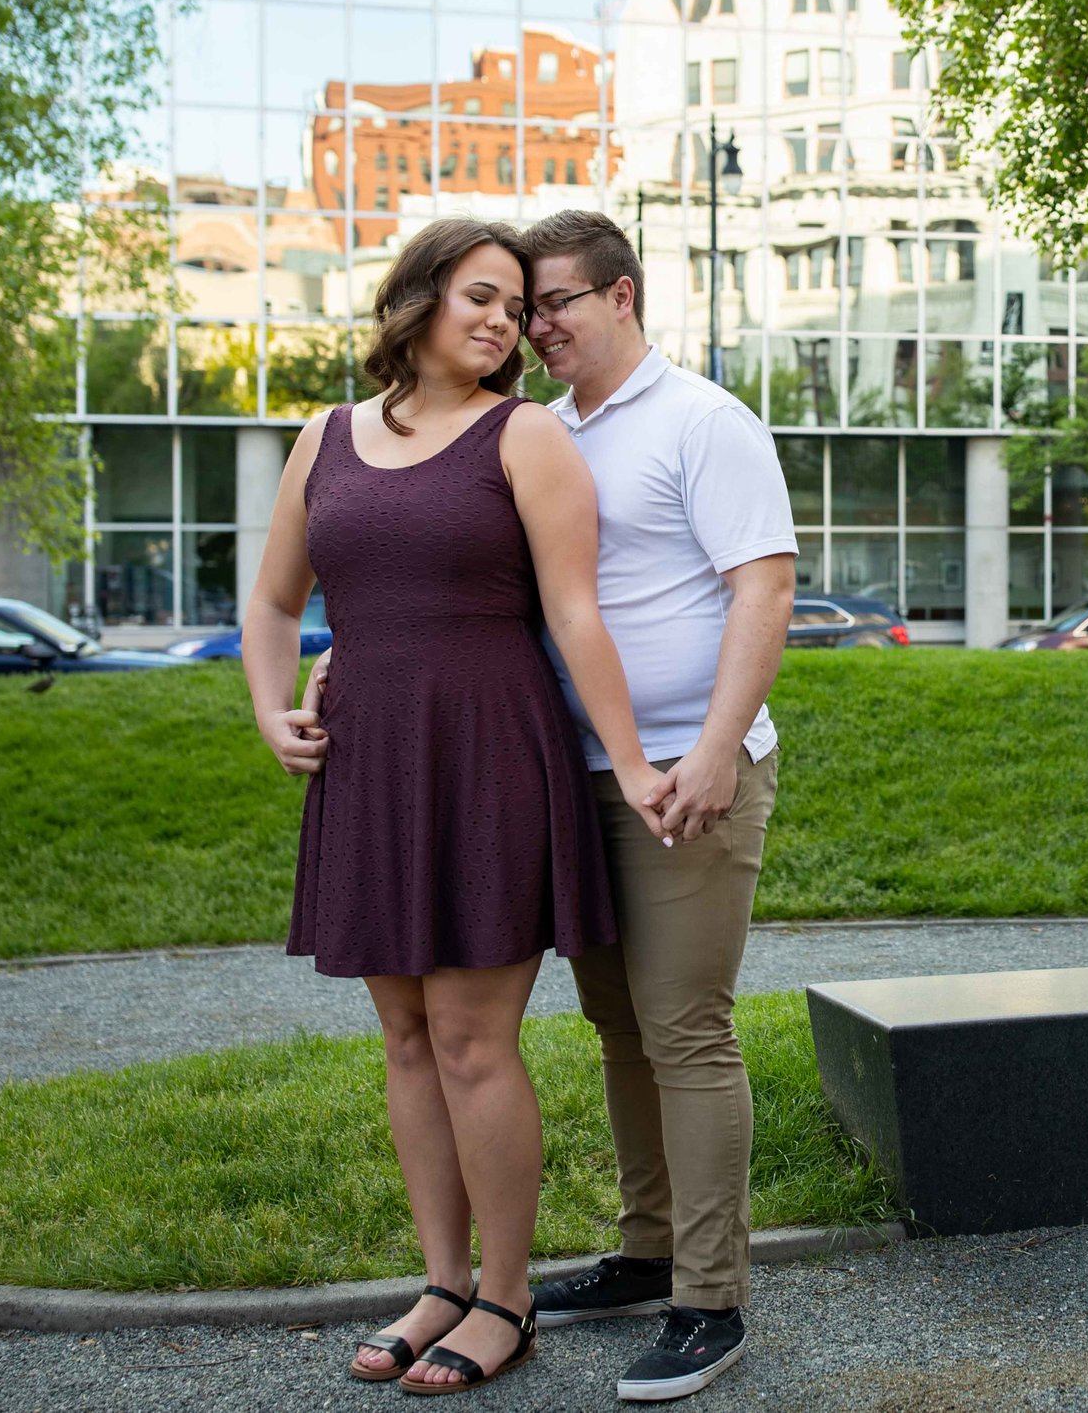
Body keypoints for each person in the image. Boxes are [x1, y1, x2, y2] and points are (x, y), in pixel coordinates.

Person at [242, 217, 671, 1395]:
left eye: (519, 305)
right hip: (370, 759)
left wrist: (631, 765)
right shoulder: (321, 436)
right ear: (418, 299)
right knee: (405, 1036)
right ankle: (440, 1281)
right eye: (481, 297)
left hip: (487, 751)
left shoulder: (523, 435)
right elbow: (276, 601)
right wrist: (271, 706)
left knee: (475, 1038)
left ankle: (507, 1295)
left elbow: (576, 615)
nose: (505, 322)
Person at [515, 210, 798, 1403]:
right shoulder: (545, 432)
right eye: (527, 309)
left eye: (556, 302)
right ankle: (645, 1252)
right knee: (620, 1028)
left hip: (690, 774)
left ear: (623, 294)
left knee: (685, 1025)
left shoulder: (701, 419)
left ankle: (711, 1297)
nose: (537, 326)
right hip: (580, 773)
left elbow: (764, 585)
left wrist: (720, 746)